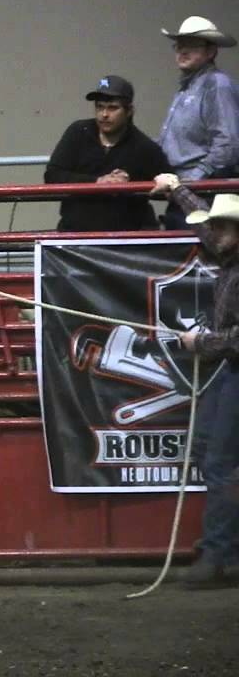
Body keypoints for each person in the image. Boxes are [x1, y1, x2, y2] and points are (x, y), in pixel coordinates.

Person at [151, 173, 239, 588]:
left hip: (233, 367)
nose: (213, 232)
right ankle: (224, 549)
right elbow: (204, 226)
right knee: (208, 451)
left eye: (223, 226)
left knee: (218, 460)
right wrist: (177, 191)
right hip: (230, 371)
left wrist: (201, 341)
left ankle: (219, 553)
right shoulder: (230, 258)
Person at [45, 75, 171, 232]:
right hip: (75, 237)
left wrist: (131, 183)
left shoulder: (144, 147)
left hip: (125, 241)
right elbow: (52, 176)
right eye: (99, 107)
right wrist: (97, 182)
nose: (104, 114)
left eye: (112, 108)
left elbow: (169, 182)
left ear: (129, 111)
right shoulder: (78, 132)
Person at [157, 16, 239, 229]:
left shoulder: (216, 85)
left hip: (203, 197)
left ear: (211, 51)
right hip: (185, 194)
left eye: (192, 45)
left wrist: (188, 183)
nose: (182, 51)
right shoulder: (187, 88)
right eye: (180, 45)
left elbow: (227, 146)